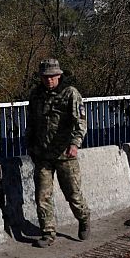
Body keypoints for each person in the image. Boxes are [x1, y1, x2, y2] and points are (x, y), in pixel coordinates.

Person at [25, 58, 91, 247]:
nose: (49, 80)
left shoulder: (70, 94)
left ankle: (84, 217)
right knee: (42, 196)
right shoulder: (36, 95)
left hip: (64, 155)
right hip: (42, 154)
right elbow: (31, 121)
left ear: (59, 76)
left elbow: (80, 122)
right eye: (45, 77)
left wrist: (75, 144)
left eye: (52, 76)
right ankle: (48, 232)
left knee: (73, 194)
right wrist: (29, 143)